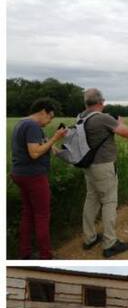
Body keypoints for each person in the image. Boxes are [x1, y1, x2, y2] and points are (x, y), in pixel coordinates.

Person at [79, 88, 128, 258]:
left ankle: (89, 238)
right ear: (101, 102)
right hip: (104, 166)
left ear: (86, 103)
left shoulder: (81, 117)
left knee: (91, 200)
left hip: (89, 166)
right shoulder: (103, 118)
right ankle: (110, 243)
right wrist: (121, 122)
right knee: (109, 202)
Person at [10, 98, 67, 259]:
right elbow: (34, 153)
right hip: (33, 175)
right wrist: (55, 138)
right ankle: (46, 255)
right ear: (43, 112)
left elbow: (41, 145)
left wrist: (54, 145)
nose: (49, 122)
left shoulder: (22, 123)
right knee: (42, 215)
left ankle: (25, 253)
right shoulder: (32, 126)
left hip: (20, 173)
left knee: (28, 214)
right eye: (50, 117)